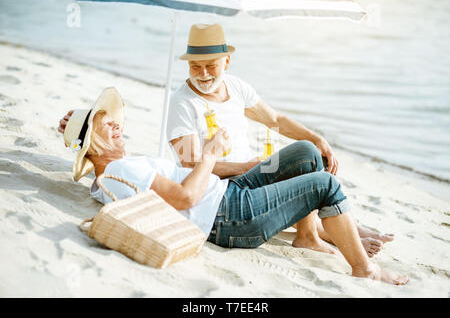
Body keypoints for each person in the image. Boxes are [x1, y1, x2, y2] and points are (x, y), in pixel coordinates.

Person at [58, 23, 395, 257]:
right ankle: (333, 229)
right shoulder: (182, 103)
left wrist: (318, 137)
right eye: (197, 67)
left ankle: (310, 235)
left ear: (227, 61)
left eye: (211, 66)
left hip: (245, 176)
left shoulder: (235, 86)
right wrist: (247, 165)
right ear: (188, 64)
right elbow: (191, 163)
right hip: (219, 182)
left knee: (307, 152)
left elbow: (276, 120)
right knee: (303, 177)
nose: (204, 74)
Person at [61, 87, 408, 285]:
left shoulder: (110, 176)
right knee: (325, 185)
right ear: (92, 145)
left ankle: (309, 235)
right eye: (107, 127)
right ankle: (365, 269)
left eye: (114, 122)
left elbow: (182, 189)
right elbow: (185, 198)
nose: (119, 127)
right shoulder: (120, 169)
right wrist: (210, 153)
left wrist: (239, 166)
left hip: (227, 195)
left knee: (304, 152)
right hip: (228, 217)